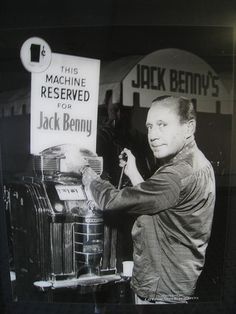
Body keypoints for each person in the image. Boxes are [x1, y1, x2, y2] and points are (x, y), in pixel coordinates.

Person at [51, 96, 216, 304]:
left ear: (189, 127)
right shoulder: (199, 163)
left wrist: (84, 169)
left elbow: (110, 200)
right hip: (178, 282)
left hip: (159, 291)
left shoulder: (176, 174)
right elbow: (159, 203)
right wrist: (134, 173)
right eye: (149, 127)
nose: (153, 135)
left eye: (162, 125)